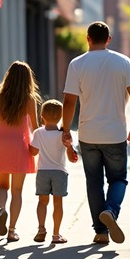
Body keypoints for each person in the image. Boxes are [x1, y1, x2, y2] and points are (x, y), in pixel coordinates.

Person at [60, 21, 130, 245]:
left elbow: (69, 101)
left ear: (88, 38)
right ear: (109, 39)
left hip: (88, 134)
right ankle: (111, 211)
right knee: (118, 179)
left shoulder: (77, 64)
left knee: (94, 183)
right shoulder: (123, 62)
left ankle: (101, 232)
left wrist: (66, 130)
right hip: (116, 134)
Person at [0, 61, 41, 243]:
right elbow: (35, 126)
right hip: (20, 147)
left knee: (2, 187)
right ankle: (11, 230)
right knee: (17, 191)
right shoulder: (29, 100)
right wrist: (37, 146)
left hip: (1, 144)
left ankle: (2, 209)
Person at [29, 99, 78, 244]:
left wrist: (28, 145)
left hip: (43, 171)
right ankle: (56, 235)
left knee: (42, 202)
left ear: (42, 116)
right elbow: (72, 158)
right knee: (58, 204)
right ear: (62, 116)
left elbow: (33, 152)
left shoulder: (38, 133)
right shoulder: (64, 134)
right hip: (59, 172)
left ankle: (41, 229)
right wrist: (69, 146)